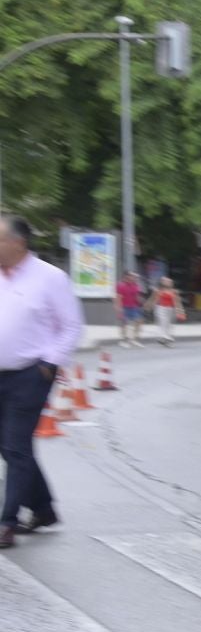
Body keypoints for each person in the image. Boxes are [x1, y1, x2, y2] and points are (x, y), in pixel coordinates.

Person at [0, 216, 85, 548]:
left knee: (15, 447)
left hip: (31, 374)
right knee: (8, 446)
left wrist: (49, 365)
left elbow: (71, 326)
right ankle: (44, 509)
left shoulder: (50, 278)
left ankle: (7, 522)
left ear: (17, 243)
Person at [147, 277, 181, 346]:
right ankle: (165, 336)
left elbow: (177, 301)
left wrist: (179, 310)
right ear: (162, 282)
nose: (169, 283)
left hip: (171, 309)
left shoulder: (174, 291)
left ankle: (163, 339)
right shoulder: (158, 290)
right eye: (167, 281)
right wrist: (149, 306)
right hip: (161, 308)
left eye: (170, 282)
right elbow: (153, 299)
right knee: (163, 322)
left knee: (169, 324)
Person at [116, 270, 145, 347]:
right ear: (126, 276)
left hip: (134, 307)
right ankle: (124, 341)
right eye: (132, 276)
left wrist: (141, 301)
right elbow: (118, 298)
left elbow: (137, 296)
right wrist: (119, 309)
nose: (133, 277)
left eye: (133, 276)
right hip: (124, 307)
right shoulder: (120, 285)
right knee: (125, 324)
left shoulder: (135, 285)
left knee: (138, 321)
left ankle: (134, 339)